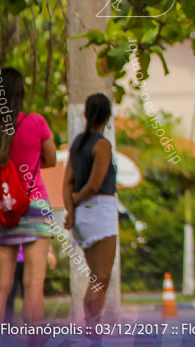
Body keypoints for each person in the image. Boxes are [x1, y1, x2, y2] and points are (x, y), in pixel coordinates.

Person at [0, 68, 57, 326]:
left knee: (0, 287)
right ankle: (34, 341)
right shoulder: (36, 122)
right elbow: (51, 159)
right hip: (35, 205)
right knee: (34, 285)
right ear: (21, 93)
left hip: (4, 207)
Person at [63, 93, 118, 322]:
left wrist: (71, 209)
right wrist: (77, 199)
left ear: (85, 114)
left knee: (95, 277)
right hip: (100, 212)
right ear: (108, 117)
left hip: (83, 217)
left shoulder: (78, 143)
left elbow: (67, 181)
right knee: (101, 277)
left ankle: (91, 326)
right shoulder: (102, 145)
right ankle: (93, 329)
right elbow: (94, 184)